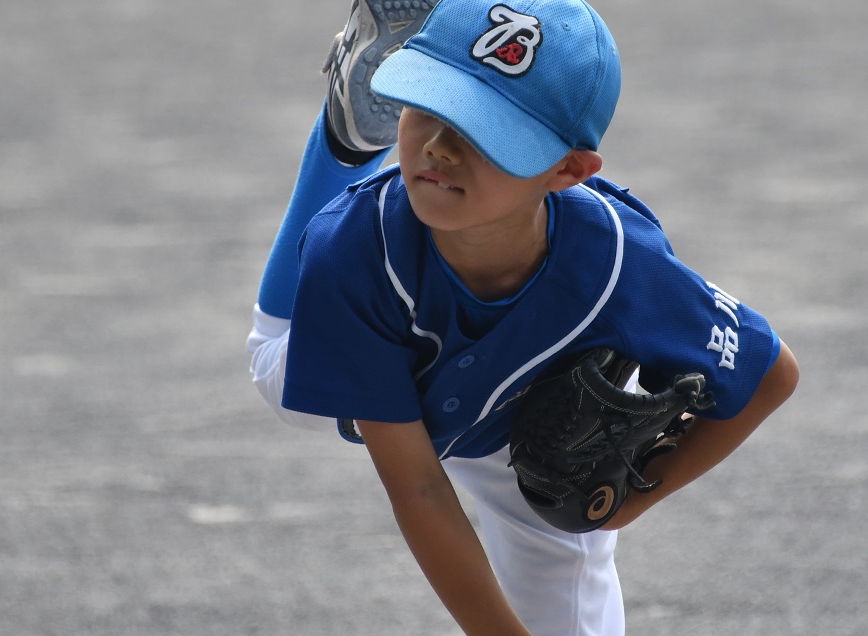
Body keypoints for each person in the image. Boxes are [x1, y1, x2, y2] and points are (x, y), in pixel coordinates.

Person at [245, 0, 801, 633]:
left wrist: (633, 501)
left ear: (567, 169)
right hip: (375, 376)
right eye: (426, 106)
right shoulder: (355, 250)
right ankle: (344, 143)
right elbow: (419, 488)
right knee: (274, 368)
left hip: (515, 431)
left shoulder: (618, 264)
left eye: (486, 134)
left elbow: (770, 375)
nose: (439, 148)